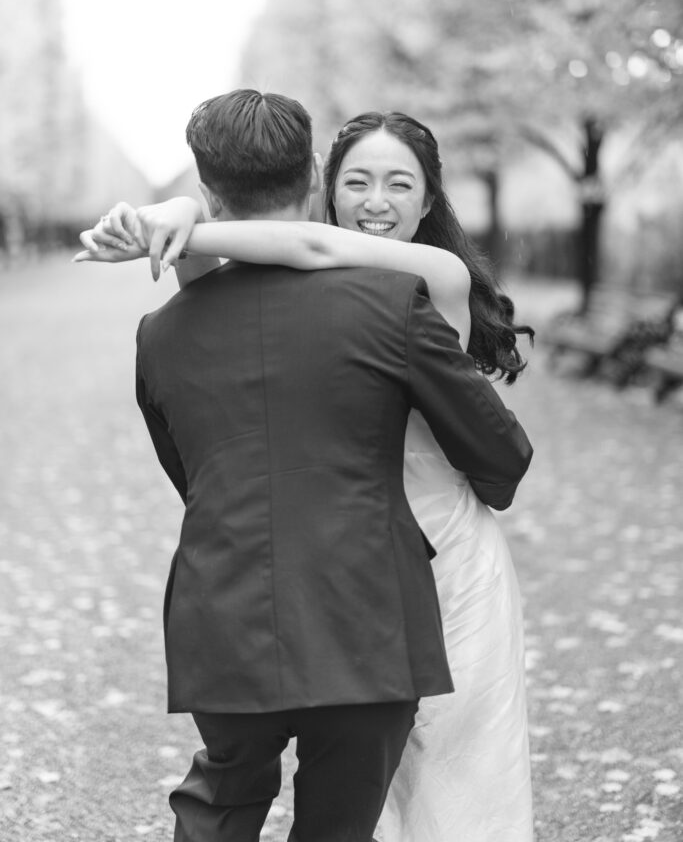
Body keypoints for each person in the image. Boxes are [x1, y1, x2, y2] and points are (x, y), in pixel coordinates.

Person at [76, 91, 533, 842]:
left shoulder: (162, 331)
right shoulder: (391, 304)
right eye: (359, 181)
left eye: (399, 183)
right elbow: (501, 457)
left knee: (227, 799)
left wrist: (183, 218)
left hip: (231, 600)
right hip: (377, 596)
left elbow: (192, 471)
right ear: (319, 177)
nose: (376, 201)